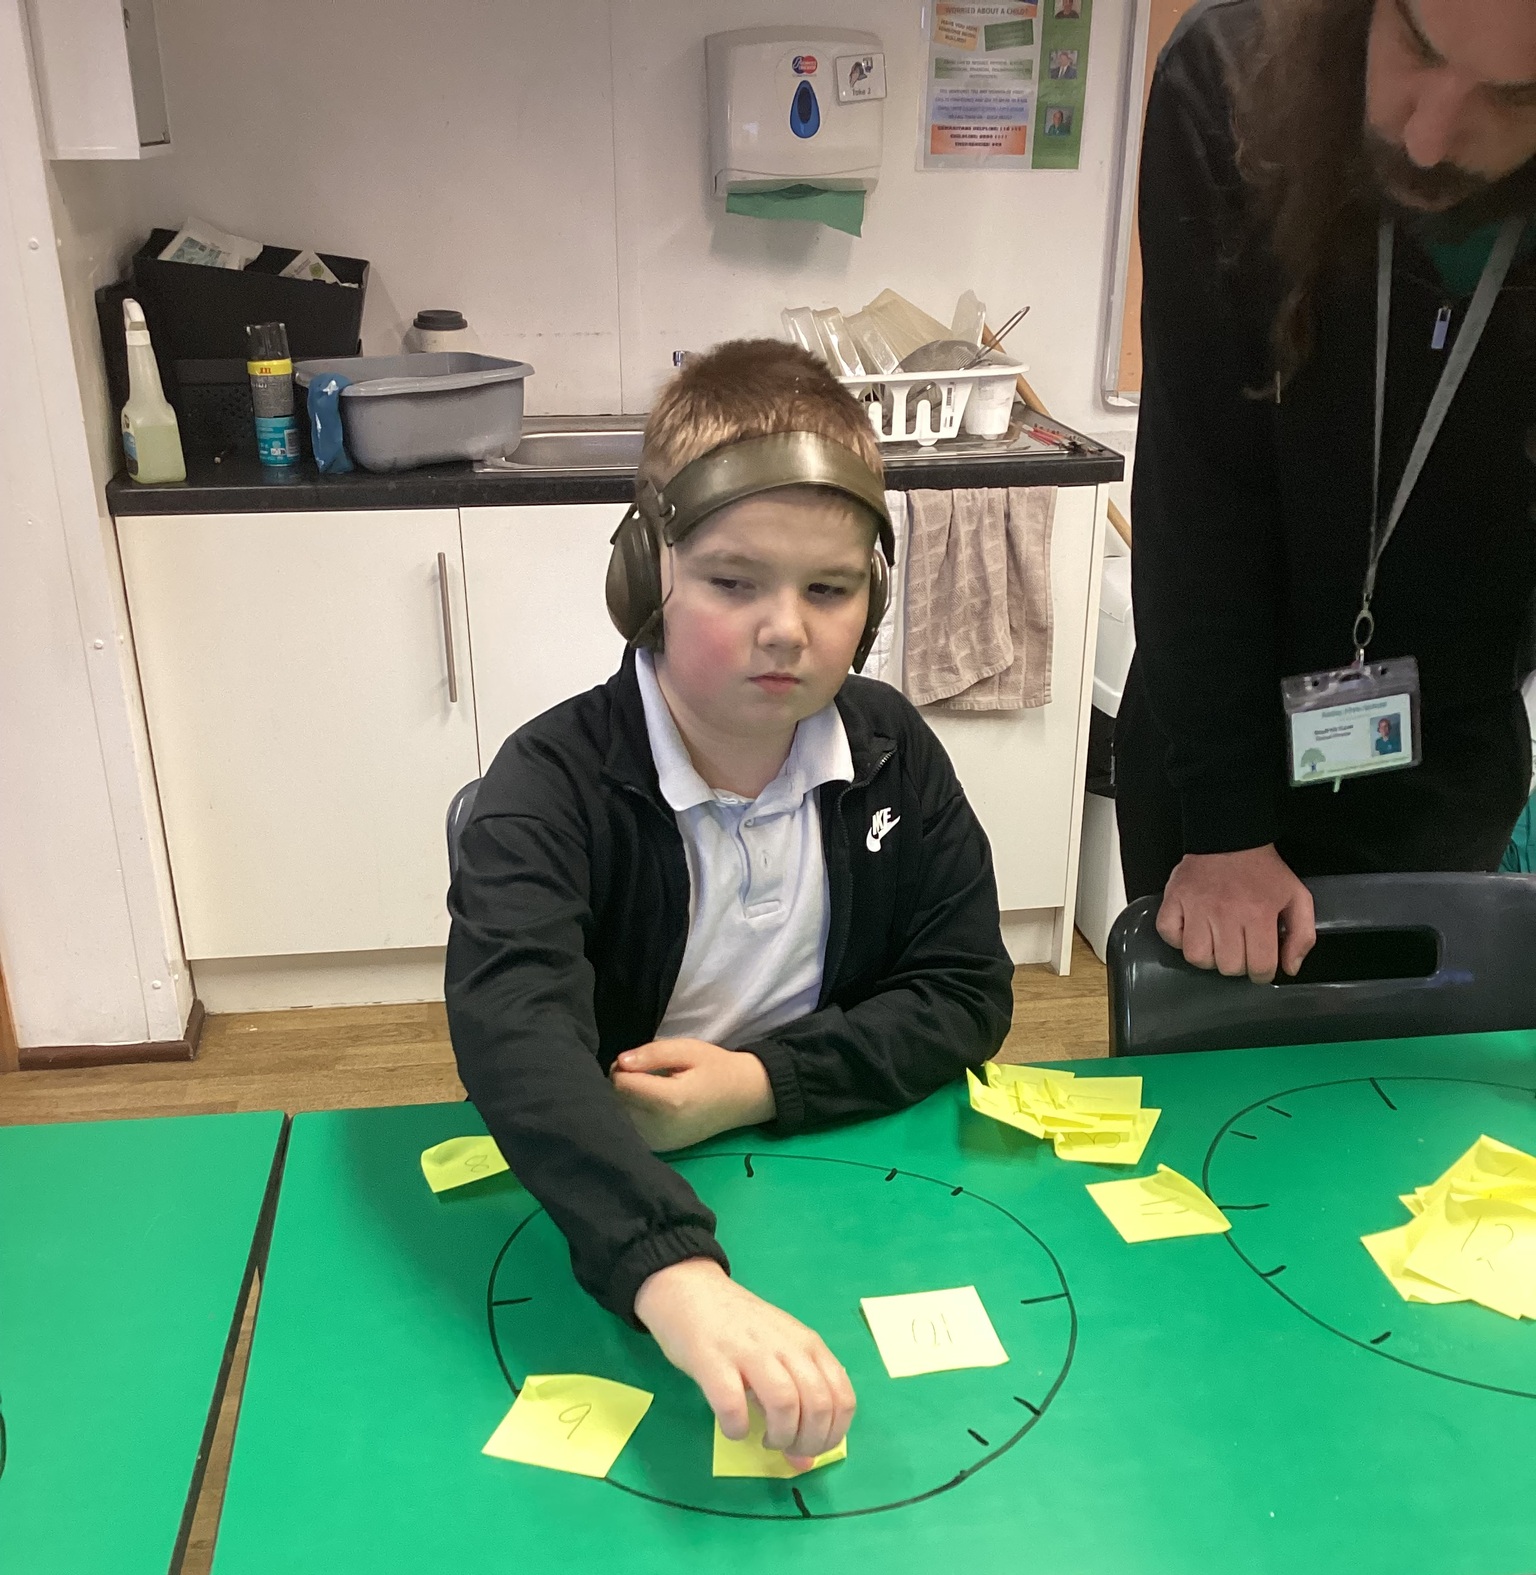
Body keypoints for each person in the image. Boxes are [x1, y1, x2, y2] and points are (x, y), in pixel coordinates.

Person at [446, 340, 1013, 1470]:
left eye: (830, 588)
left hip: (845, 1167)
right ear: (644, 575)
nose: (786, 628)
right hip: (619, 1191)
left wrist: (757, 1084)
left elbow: (965, 990)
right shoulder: (545, 786)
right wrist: (674, 1274)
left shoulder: (893, 750)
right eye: (733, 582)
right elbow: (518, 1042)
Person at [1119, 0, 1536, 982]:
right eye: (1416, 46)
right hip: (1220, 735)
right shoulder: (1234, 78)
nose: (1428, 137)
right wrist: (1225, 826)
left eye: (1515, 97)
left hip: (1445, 751)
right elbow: (1199, 487)